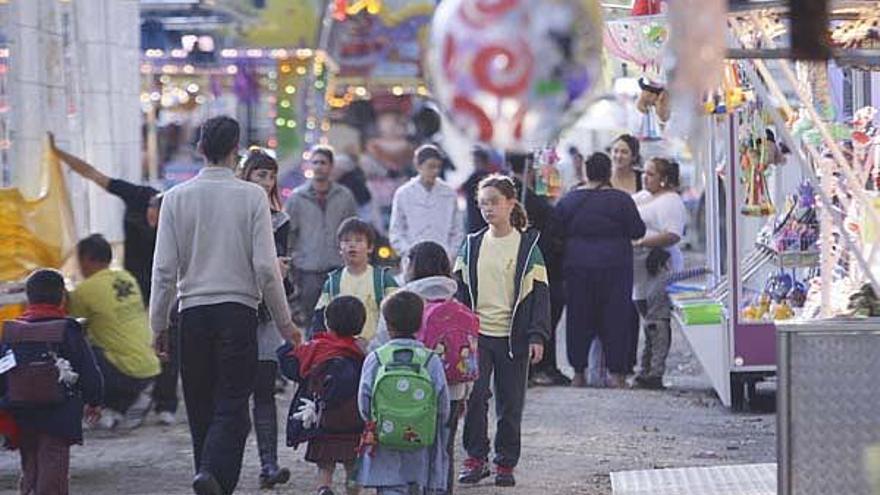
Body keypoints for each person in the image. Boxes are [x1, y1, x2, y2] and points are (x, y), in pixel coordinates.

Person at [150, 116, 300, 495]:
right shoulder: (251, 197)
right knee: (233, 404)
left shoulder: (174, 198)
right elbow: (267, 268)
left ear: (199, 149)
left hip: (191, 314)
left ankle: (208, 475)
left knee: (200, 404)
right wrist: (285, 323)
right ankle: (211, 475)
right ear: (236, 150)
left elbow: (163, 270)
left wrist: (158, 324)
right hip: (238, 313)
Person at [47, 133, 180, 425]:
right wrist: (58, 154)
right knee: (132, 337)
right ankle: (124, 398)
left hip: (164, 283)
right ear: (149, 205)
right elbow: (94, 175)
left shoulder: (177, 220)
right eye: (153, 217)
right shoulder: (136, 194)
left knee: (167, 338)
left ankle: (165, 403)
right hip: (131, 282)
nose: (154, 224)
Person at [454, 175, 550, 487]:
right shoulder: (471, 245)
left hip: (514, 339)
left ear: (510, 203)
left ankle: (505, 463)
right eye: (482, 203)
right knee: (475, 397)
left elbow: (540, 296)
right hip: (477, 337)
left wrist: (537, 335)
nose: (488, 208)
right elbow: (458, 293)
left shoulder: (529, 246)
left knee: (510, 403)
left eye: (494, 202)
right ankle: (475, 458)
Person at [371, 241, 477, 494]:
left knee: (406, 450)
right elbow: (467, 356)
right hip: (451, 393)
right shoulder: (458, 305)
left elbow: (380, 347)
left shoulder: (399, 301)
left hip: (404, 393)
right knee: (444, 451)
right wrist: (465, 392)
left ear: (411, 266)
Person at [0, 269, 103, 495]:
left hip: (21, 410)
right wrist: (94, 400)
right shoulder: (68, 329)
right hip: (59, 411)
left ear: (28, 297)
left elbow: (3, 371)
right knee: (53, 462)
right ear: (62, 297)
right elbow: (88, 369)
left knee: (30, 462)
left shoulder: (13, 331)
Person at [553, 153, 646, 389]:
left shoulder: (569, 200)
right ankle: (617, 375)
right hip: (615, 267)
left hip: (577, 267)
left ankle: (578, 373)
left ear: (586, 172)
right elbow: (637, 231)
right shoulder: (622, 200)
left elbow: (556, 232)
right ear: (608, 173)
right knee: (616, 318)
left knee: (578, 319)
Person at [357, 290, 450, 494]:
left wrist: (374, 422)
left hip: (384, 443)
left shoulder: (376, 358)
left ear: (388, 325)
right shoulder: (430, 360)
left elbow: (364, 402)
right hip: (421, 445)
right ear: (420, 324)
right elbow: (443, 406)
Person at [237, 147, 292, 489]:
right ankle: (219, 467)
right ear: (246, 175)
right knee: (230, 394)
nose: (266, 181)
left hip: (266, 314)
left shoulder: (279, 220)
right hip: (234, 308)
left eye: (270, 176)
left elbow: (280, 268)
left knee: (264, 391)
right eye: (261, 174)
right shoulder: (230, 213)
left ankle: (269, 464)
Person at [67, 234, 160, 429]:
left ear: (87, 259)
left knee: (79, 351)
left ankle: (99, 407)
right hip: (151, 366)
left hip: (126, 372)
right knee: (110, 343)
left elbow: (71, 328)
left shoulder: (85, 291)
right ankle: (125, 404)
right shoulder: (127, 278)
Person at [278, 296, 367, 495]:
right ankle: (353, 489)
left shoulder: (315, 348)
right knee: (353, 463)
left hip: (322, 420)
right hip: (353, 421)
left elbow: (290, 366)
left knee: (325, 464)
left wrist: (289, 344)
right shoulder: (361, 352)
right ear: (360, 325)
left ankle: (323, 488)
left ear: (327, 322)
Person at [507, 153, 570, 387]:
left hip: (544, 265)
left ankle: (543, 365)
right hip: (537, 264)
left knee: (543, 316)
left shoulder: (530, 192)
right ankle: (534, 367)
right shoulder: (517, 194)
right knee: (536, 316)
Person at [285, 145, 359, 328]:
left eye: (323, 163)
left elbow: (353, 231)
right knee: (311, 321)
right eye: (315, 162)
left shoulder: (345, 196)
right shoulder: (297, 198)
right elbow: (289, 235)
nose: (318, 166)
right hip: (308, 270)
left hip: (338, 268)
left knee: (339, 320)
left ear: (331, 166)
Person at [632, 157, 689, 389]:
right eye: (645, 173)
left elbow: (673, 234)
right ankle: (645, 367)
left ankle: (655, 371)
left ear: (664, 179)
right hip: (640, 270)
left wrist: (642, 242)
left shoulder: (671, 201)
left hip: (659, 265)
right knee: (647, 317)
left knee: (657, 317)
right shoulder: (644, 197)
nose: (645, 177)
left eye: (651, 174)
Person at [312, 217, 398, 342]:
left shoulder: (383, 280)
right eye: (346, 241)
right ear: (340, 248)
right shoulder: (332, 282)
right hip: (341, 350)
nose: (352, 245)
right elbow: (319, 320)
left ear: (370, 248)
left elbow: (396, 315)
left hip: (376, 349)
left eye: (358, 240)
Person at [389, 144, 464, 261]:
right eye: (431, 166)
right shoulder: (403, 194)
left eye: (438, 167)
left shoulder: (449, 193)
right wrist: (409, 253)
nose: (435, 171)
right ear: (418, 166)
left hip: (443, 259)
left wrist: (450, 254)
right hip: (413, 260)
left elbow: (458, 230)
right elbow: (396, 231)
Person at [610, 134, 645, 377]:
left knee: (633, 306)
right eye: (615, 151)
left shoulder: (643, 179)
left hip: (641, 251)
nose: (618, 156)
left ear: (633, 155)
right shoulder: (604, 180)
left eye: (623, 152)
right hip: (612, 252)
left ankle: (630, 358)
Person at [461, 146, 495, 234]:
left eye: (475, 161)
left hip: (474, 222)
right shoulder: (492, 178)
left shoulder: (475, 177)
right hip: (488, 222)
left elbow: (462, 188)